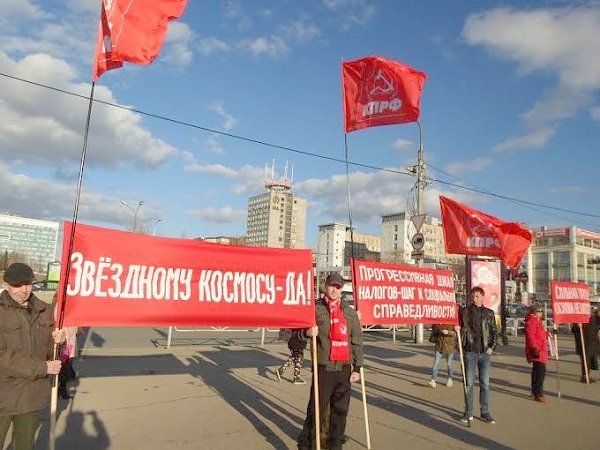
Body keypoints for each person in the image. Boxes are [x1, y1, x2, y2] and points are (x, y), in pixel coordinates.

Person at [0, 263, 66, 450]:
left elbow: (52, 353)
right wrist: (43, 368)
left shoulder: (44, 310)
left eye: (27, 284)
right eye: (17, 285)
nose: (24, 290)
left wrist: (58, 343)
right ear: (7, 285)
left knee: (24, 446)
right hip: (3, 395)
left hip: (31, 397)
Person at [297, 272, 363, 450]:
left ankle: (335, 445)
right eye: (332, 285)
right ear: (325, 286)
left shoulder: (349, 313)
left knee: (340, 412)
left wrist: (357, 368)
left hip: (344, 369)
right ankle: (310, 444)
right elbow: (295, 337)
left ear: (342, 289)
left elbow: (356, 340)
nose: (334, 289)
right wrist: (307, 333)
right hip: (323, 369)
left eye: (338, 286)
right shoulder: (315, 309)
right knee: (318, 411)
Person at [459, 286, 497, 424]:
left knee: (485, 384)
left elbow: (494, 332)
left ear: (482, 297)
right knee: (469, 384)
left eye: (477, 296)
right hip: (470, 351)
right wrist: (457, 328)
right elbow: (460, 326)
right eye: (473, 297)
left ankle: (485, 412)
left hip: (485, 353)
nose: (474, 299)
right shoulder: (465, 312)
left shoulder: (489, 313)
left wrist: (492, 347)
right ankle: (468, 411)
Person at [524, 304, 549, 402]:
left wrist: (549, 333)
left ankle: (535, 391)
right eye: (538, 311)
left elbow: (540, 334)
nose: (540, 313)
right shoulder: (532, 321)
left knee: (537, 371)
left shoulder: (537, 321)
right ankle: (538, 393)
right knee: (540, 373)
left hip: (540, 349)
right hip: (537, 350)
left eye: (541, 311)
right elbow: (530, 336)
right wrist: (534, 348)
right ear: (533, 312)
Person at [571, 311, 600, 383]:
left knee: (592, 359)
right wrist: (577, 326)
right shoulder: (578, 319)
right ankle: (585, 376)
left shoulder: (594, 318)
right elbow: (573, 330)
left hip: (595, 342)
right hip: (584, 343)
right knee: (586, 361)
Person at [428, 323, 457, 388]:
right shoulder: (438, 321)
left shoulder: (452, 321)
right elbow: (434, 330)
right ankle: (433, 380)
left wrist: (448, 332)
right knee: (436, 363)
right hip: (439, 345)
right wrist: (436, 328)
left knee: (449, 364)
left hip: (450, 346)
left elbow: (456, 333)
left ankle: (450, 379)